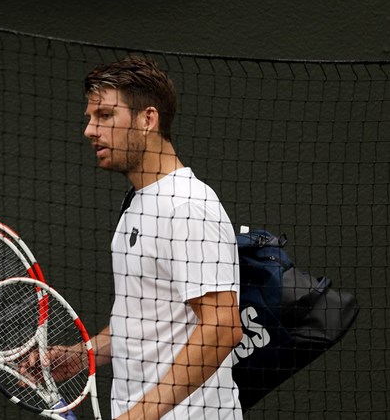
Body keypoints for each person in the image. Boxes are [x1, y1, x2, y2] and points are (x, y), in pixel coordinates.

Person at [25, 56, 243, 420]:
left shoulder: (188, 205)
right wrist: (84, 355)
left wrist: (137, 417)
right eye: (91, 118)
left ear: (148, 119)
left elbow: (222, 327)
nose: (90, 130)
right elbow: (150, 321)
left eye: (106, 116)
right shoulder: (139, 203)